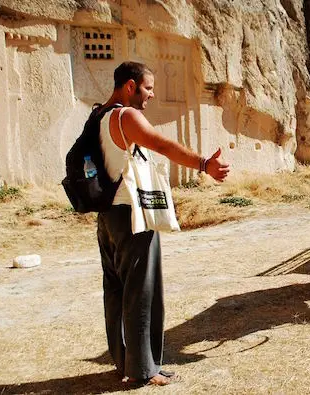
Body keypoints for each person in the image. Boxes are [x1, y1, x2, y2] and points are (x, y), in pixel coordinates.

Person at [95, 61, 230, 385]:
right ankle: (144, 370)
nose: (152, 95)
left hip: (109, 215)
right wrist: (203, 164)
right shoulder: (126, 116)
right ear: (130, 86)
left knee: (116, 290)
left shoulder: (100, 116)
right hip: (131, 217)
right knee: (142, 292)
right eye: (148, 88)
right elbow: (162, 145)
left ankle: (125, 363)